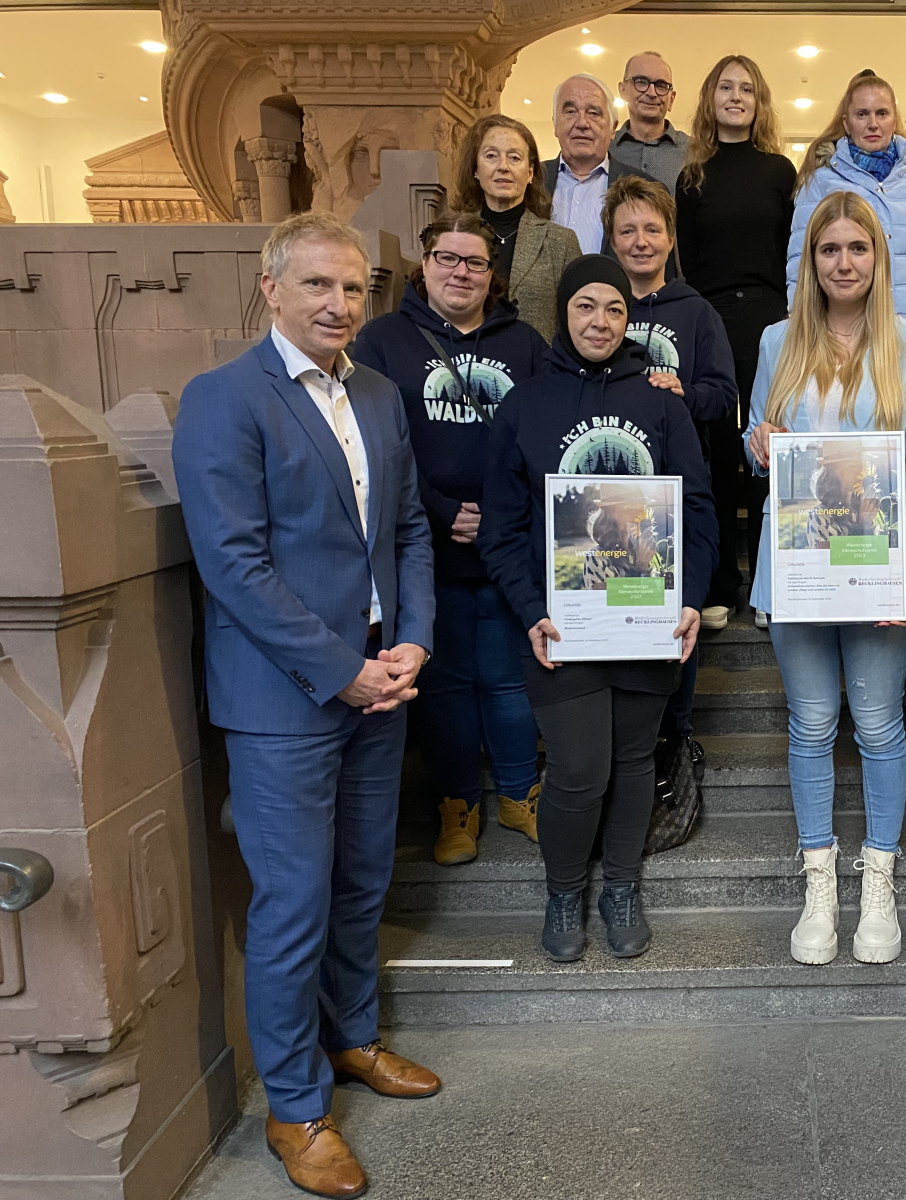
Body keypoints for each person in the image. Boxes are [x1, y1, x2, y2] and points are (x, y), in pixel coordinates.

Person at [171, 212, 437, 1199]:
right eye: (319, 286)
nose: (339, 305)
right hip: (285, 699)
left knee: (364, 881)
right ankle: (295, 1109)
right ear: (271, 288)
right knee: (293, 905)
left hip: (381, 680)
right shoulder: (224, 400)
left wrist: (411, 640)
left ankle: (353, 1039)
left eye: (355, 288)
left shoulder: (375, 393)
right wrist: (341, 668)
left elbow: (407, 529)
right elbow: (233, 566)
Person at [478, 255, 718, 964]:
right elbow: (500, 528)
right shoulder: (525, 404)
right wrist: (530, 609)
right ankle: (563, 891)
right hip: (560, 625)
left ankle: (621, 886)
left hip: (647, 616)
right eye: (586, 306)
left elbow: (698, 510)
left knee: (636, 758)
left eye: (614, 309)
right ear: (563, 311)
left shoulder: (663, 402)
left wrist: (692, 600)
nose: (600, 321)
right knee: (581, 767)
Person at [745, 192, 906, 966]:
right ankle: (819, 883)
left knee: (878, 724)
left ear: (878, 257)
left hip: (877, 570)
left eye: (856, 248)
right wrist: (756, 442)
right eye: (829, 250)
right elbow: (766, 451)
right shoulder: (776, 342)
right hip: (798, 569)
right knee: (811, 725)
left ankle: (880, 881)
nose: (843, 262)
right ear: (812, 261)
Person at [349, 212, 548, 868]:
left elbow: (547, 436)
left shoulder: (524, 344)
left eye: (475, 263)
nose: (460, 272)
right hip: (423, 547)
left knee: (510, 675)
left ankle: (521, 793)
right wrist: (439, 510)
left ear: (493, 277)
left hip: (508, 544)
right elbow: (376, 446)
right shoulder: (381, 342)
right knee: (444, 684)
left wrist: (499, 512)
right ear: (424, 264)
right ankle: (457, 803)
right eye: (447, 258)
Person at [604, 173, 738, 767]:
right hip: (608, 493)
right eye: (627, 229)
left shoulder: (697, 312)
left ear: (670, 237)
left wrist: (683, 390)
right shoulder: (595, 305)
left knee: (673, 619)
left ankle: (676, 738)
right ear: (610, 239)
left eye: (652, 229)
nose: (640, 241)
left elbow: (724, 395)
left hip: (675, 491)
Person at [676, 54, 797, 622]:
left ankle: (771, 585)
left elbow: (787, 252)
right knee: (719, 451)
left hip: (773, 317)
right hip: (711, 317)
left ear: (759, 100)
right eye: (725, 86)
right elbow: (689, 262)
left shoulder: (779, 170)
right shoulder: (691, 175)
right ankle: (722, 585)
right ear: (710, 98)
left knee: (771, 447)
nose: (736, 96)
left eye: (747, 88)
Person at [789, 70, 906, 340]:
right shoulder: (820, 182)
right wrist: (801, 330)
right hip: (846, 333)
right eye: (862, 114)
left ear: (894, 119)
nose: (873, 124)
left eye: (881, 113)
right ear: (846, 122)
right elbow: (800, 264)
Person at [454, 113, 581, 343]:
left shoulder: (560, 242)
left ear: (530, 172)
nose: (503, 167)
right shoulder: (452, 237)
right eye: (491, 156)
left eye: (514, 158)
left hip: (538, 371)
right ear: (475, 170)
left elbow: (577, 320)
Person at [544, 74, 656, 258]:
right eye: (570, 111)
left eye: (594, 113)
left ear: (613, 129)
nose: (581, 123)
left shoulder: (645, 187)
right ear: (555, 124)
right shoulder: (529, 182)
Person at [611, 50, 688, 187]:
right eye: (641, 82)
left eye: (661, 85)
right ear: (622, 91)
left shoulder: (695, 153)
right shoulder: (603, 148)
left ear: (671, 98)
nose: (651, 93)